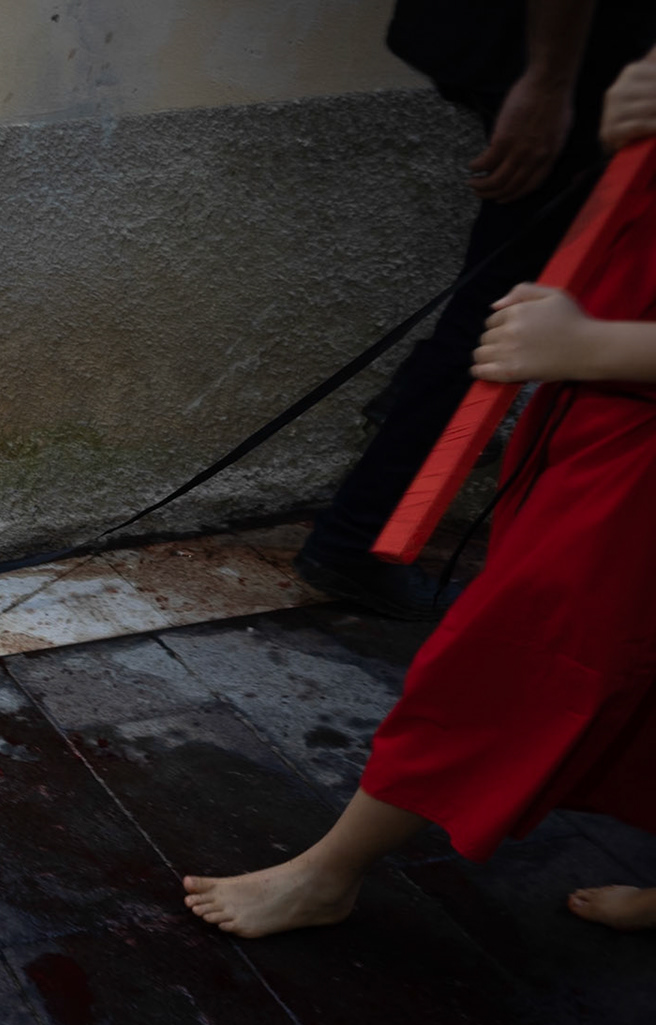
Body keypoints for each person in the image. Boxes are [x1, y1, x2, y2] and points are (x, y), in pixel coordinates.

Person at [184, 48, 656, 938]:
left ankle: (330, 872)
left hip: (631, 426)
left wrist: (599, 348)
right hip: (603, 401)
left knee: (516, 648)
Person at [294, 0, 656, 619]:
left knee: (499, 309)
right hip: (571, 70)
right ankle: (363, 529)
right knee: (493, 319)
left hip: (571, 66)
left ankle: (381, 486)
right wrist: (547, 82)